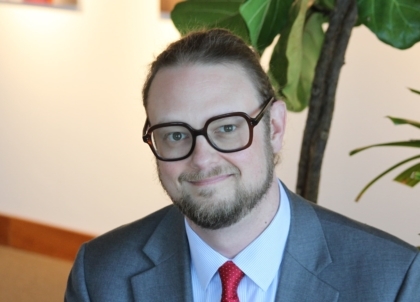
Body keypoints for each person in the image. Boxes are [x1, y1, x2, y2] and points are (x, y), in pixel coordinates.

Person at [65, 29, 420, 302]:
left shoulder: (392, 281)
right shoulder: (100, 273)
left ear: (275, 127)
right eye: (175, 135)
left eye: (228, 128)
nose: (202, 158)